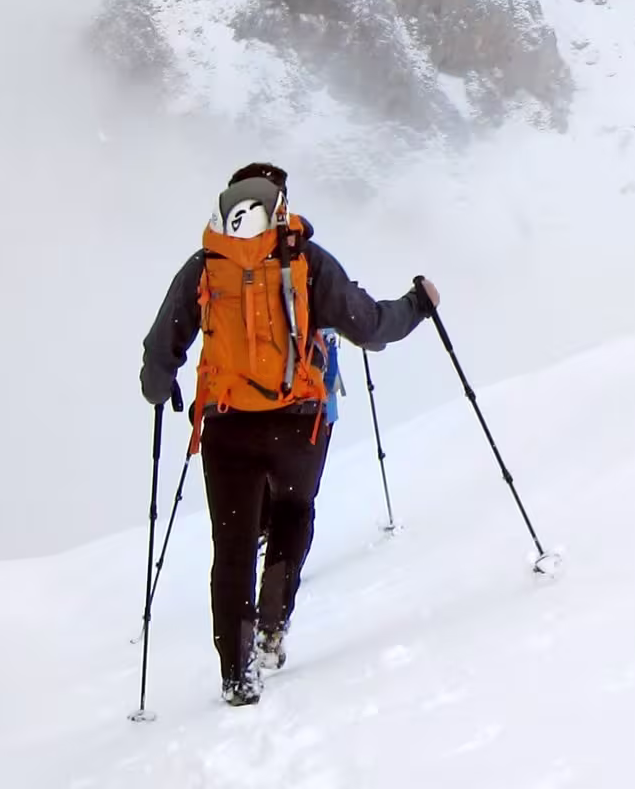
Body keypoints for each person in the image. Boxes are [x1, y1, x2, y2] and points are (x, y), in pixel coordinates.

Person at [139, 162, 437, 706]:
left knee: (230, 548)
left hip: (227, 426)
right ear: (279, 205)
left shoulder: (205, 265)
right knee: (295, 509)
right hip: (298, 422)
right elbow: (369, 326)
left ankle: (236, 673)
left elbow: (161, 350)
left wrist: (161, 388)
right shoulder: (306, 260)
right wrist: (418, 304)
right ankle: (274, 620)